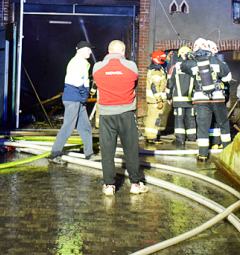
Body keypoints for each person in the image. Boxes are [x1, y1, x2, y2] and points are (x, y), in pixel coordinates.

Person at [93, 40, 147, 195]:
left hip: (106, 114)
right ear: (123, 51)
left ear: (108, 51)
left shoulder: (98, 67)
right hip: (126, 113)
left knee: (107, 150)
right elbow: (134, 82)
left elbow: (97, 83)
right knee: (130, 149)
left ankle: (109, 185)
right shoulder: (131, 66)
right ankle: (135, 184)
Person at [182, 38, 233, 162]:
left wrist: (188, 57)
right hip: (217, 98)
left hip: (201, 99)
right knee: (224, 125)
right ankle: (227, 153)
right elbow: (228, 77)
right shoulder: (216, 61)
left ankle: (203, 155)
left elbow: (182, 67)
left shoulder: (193, 62)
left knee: (203, 127)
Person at [47, 41, 95, 165]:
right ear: (80, 50)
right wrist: (84, 93)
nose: (90, 51)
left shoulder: (82, 62)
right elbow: (78, 81)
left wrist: (84, 94)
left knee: (85, 126)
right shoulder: (77, 62)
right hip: (74, 98)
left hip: (78, 99)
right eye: (88, 49)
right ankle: (54, 154)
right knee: (68, 127)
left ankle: (89, 153)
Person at [166, 46, 196, 146]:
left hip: (178, 100)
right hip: (191, 99)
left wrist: (169, 96)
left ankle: (180, 140)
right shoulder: (194, 65)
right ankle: (192, 139)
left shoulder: (174, 67)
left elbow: (170, 83)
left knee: (179, 118)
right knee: (191, 118)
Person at [144, 50, 171, 145]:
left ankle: (149, 135)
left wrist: (167, 58)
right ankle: (152, 137)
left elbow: (162, 62)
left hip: (152, 100)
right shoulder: (157, 72)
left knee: (151, 116)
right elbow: (154, 87)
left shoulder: (154, 69)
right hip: (156, 100)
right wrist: (159, 100)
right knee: (155, 118)